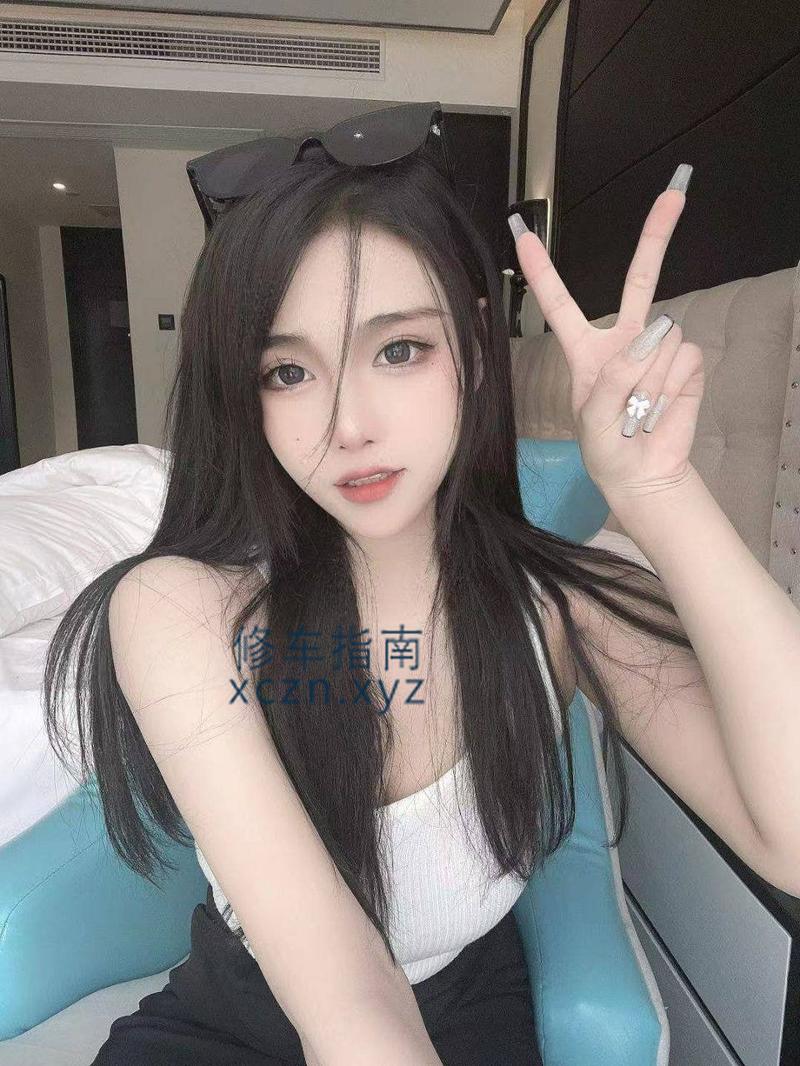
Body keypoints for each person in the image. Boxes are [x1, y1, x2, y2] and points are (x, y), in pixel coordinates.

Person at [42, 105, 800, 1066]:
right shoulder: (185, 609)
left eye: (399, 350)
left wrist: (660, 491)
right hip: (237, 1016)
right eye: (287, 371)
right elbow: (349, 1001)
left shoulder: (559, 608)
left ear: (474, 351)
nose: (349, 424)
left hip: (466, 1007)